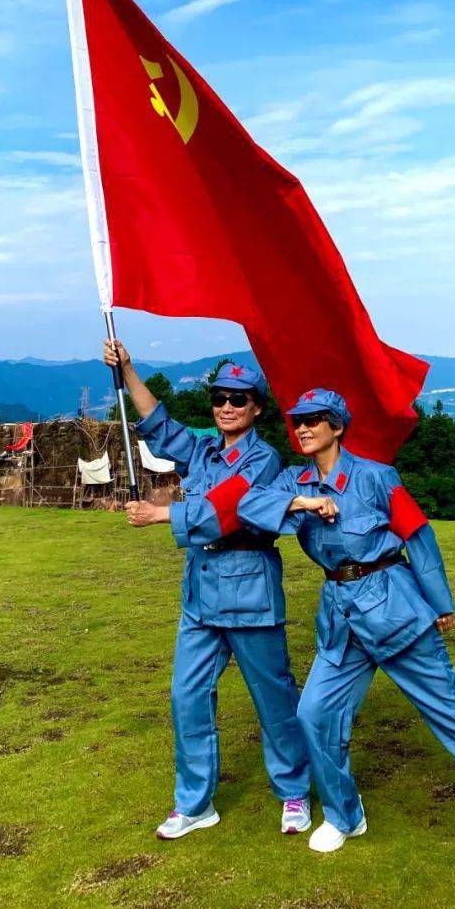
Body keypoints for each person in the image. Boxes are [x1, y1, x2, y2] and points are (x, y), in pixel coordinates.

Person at [229, 387, 455, 862]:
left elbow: (417, 533)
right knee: (314, 714)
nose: (304, 428)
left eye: (314, 419)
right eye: (298, 421)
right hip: (340, 618)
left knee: (453, 713)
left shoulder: (376, 477)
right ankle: (343, 816)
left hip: (395, 610)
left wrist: (440, 603)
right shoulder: (294, 482)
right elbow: (246, 509)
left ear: (337, 425)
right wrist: (304, 505)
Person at [103, 340, 311, 840]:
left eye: (238, 399)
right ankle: (195, 803)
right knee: (187, 696)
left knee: (273, 698)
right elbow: (159, 425)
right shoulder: (205, 449)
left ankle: (294, 791)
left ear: (256, 407)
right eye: (219, 397)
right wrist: (129, 369)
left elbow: (230, 509)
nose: (225, 407)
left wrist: (161, 513)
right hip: (200, 597)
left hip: (251, 597)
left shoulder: (261, 460)